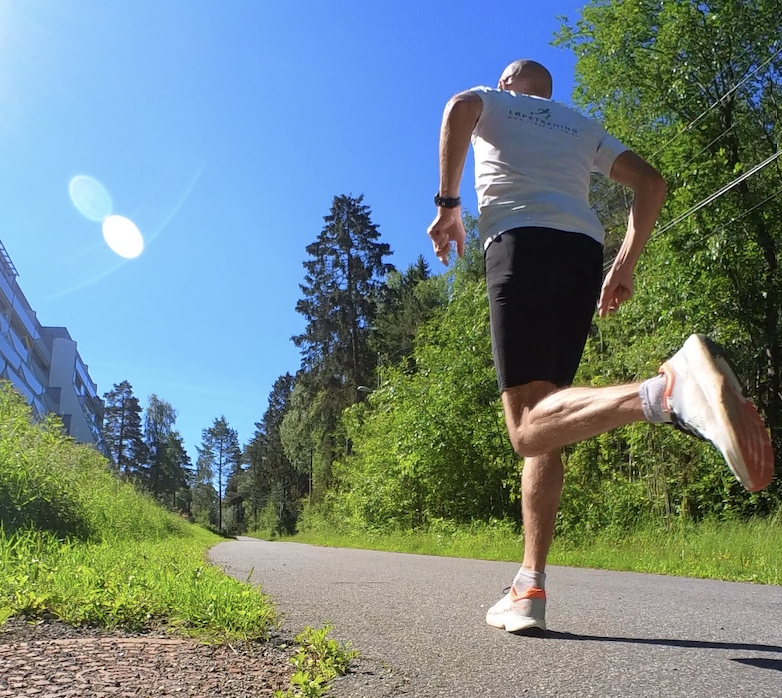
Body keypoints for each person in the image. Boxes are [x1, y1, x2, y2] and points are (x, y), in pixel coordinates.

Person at [426, 59, 774, 634]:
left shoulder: (495, 101)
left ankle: (663, 394)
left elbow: (457, 109)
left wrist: (448, 205)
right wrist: (624, 265)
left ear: (511, 82)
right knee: (552, 415)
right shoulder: (578, 124)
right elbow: (652, 183)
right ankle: (529, 586)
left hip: (520, 243)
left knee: (526, 427)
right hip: (582, 254)